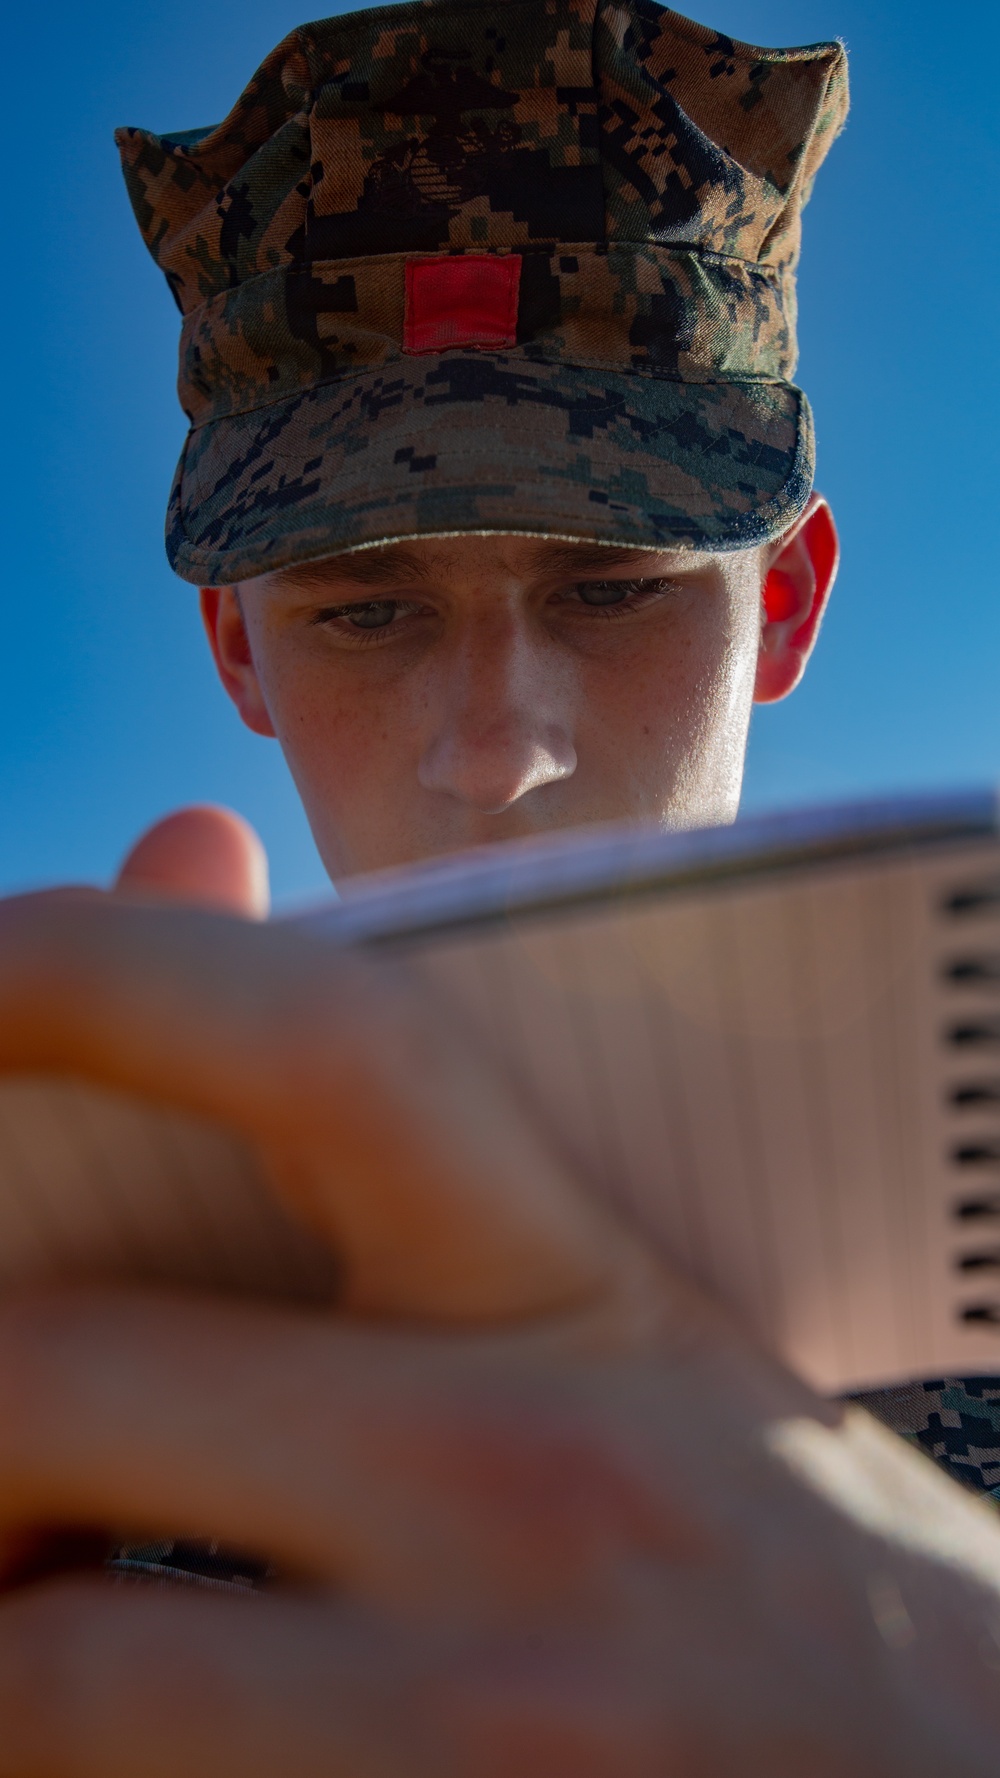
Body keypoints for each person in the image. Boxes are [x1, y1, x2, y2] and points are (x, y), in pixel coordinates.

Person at [3, 0, 1000, 1769]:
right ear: (240, 651)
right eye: (369, 607)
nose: (498, 747)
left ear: (778, 604)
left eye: (613, 583)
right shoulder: (88, 1341)